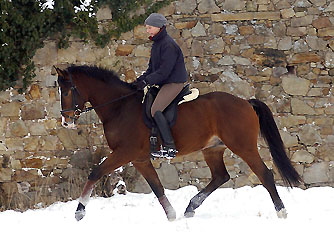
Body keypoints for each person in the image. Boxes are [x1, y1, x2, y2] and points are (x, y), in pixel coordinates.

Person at [133, 13, 188, 159]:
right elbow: (152, 69)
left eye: (149, 27)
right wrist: (139, 81)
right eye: (147, 28)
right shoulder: (157, 44)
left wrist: (147, 81)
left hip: (174, 82)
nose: (147, 30)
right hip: (164, 82)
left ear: (158, 27)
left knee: (156, 109)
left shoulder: (168, 45)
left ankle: (170, 147)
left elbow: (164, 71)